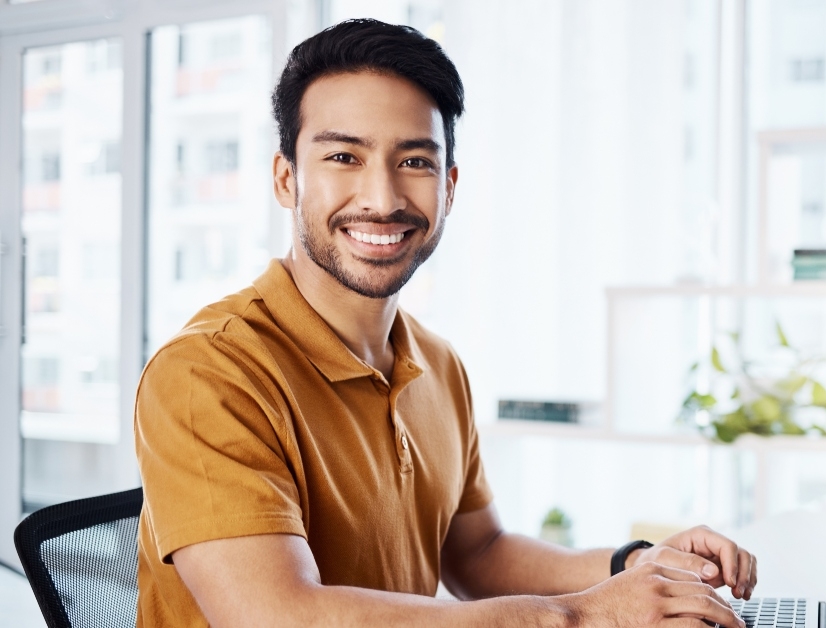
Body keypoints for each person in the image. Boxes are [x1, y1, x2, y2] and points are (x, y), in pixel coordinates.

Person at [135, 18, 756, 627]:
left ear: (449, 187)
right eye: (344, 156)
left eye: (415, 162)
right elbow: (277, 616)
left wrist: (638, 565)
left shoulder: (437, 363)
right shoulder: (207, 373)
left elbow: (479, 554)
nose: (382, 199)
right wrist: (583, 616)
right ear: (285, 178)